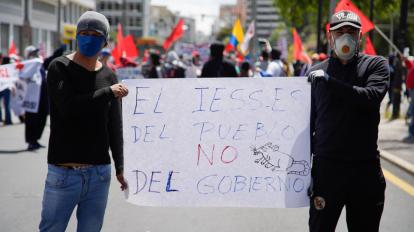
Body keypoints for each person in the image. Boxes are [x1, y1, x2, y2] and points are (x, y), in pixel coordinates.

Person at [39, 11, 128, 232]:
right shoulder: (59, 68)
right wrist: (108, 92)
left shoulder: (109, 76)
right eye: (84, 33)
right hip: (64, 174)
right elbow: (69, 107)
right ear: (77, 36)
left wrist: (120, 166)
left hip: (99, 175)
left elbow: (114, 126)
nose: (89, 38)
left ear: (105, 40)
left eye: (95, 34)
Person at [307, 10, 389, 232]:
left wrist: (330, 82)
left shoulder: (376, 65)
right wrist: (305, 170)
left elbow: (370, 98)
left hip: (365, 170)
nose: (346, 36)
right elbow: (307, 124)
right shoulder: (315, 72)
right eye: (340, 31)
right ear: (330, 36)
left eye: (351, 31)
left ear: (360, 36)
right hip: (327, 171)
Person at [23, 45, 49, 150]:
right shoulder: (27, 65)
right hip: (31, 97)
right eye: (33, 53)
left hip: (42, 95)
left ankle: (36, 139)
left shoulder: (40, 64)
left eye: (36, 53)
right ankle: (31, 141)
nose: (36, 55)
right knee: (31, 120)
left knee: (42, 118)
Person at [403, 56, 414, 143]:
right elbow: (410, 65)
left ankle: (412, 134)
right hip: (411, 89)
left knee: (413, 110)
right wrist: (406, 60)